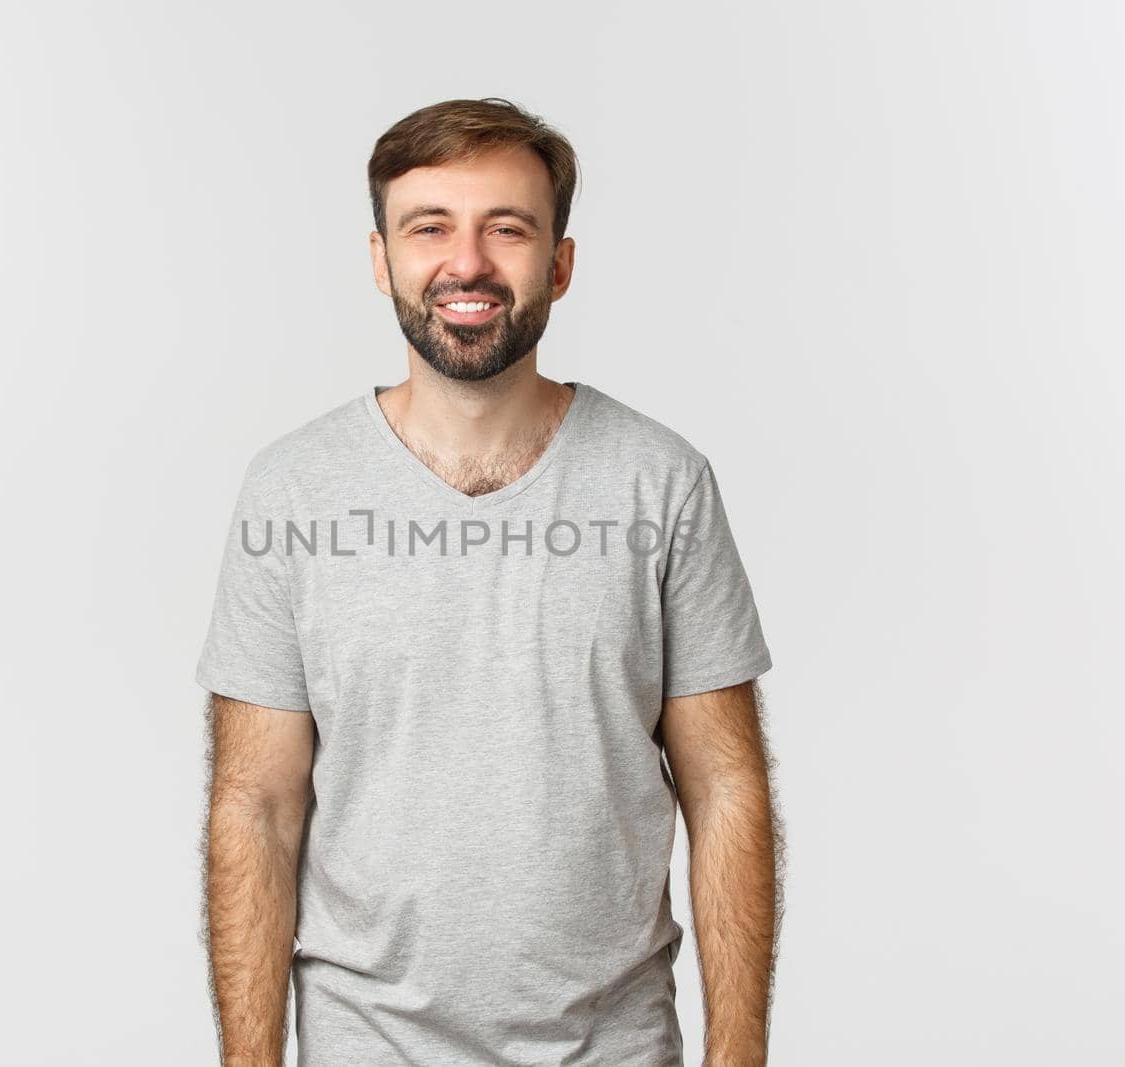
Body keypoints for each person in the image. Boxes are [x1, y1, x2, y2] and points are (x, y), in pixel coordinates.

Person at [197, 97, 780, 1066]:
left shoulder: (660, 479)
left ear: (558, 262)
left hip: (612, 1044)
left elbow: (725, 787)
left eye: (506, 228)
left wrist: (740, 1058)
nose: (466, 262)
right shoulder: (292, 487)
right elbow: (254, 803)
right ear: (381, 257)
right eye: (430, 227)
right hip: (365, 1042)